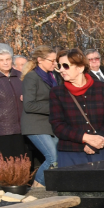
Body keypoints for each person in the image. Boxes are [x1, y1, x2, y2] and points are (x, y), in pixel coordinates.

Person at [49, 48, 104, 167]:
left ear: (80, 68)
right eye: (59, 66)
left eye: (66, 66)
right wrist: (85, 138)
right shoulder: (57, 93)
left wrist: (97, 141)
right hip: (70, 153)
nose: (61, 70)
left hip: (101, 150)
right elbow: (58, 125)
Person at [22, 45, 60, 186]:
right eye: (51, 61)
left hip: (50, 124)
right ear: (40, 60)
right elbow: (29, 105)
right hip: (35, 125)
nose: (54, 64)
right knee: (53, 158)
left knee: (59, 157)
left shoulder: (53, 77)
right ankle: (37, 187)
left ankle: (46, 188)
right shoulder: (32, 77)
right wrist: (55, 107)